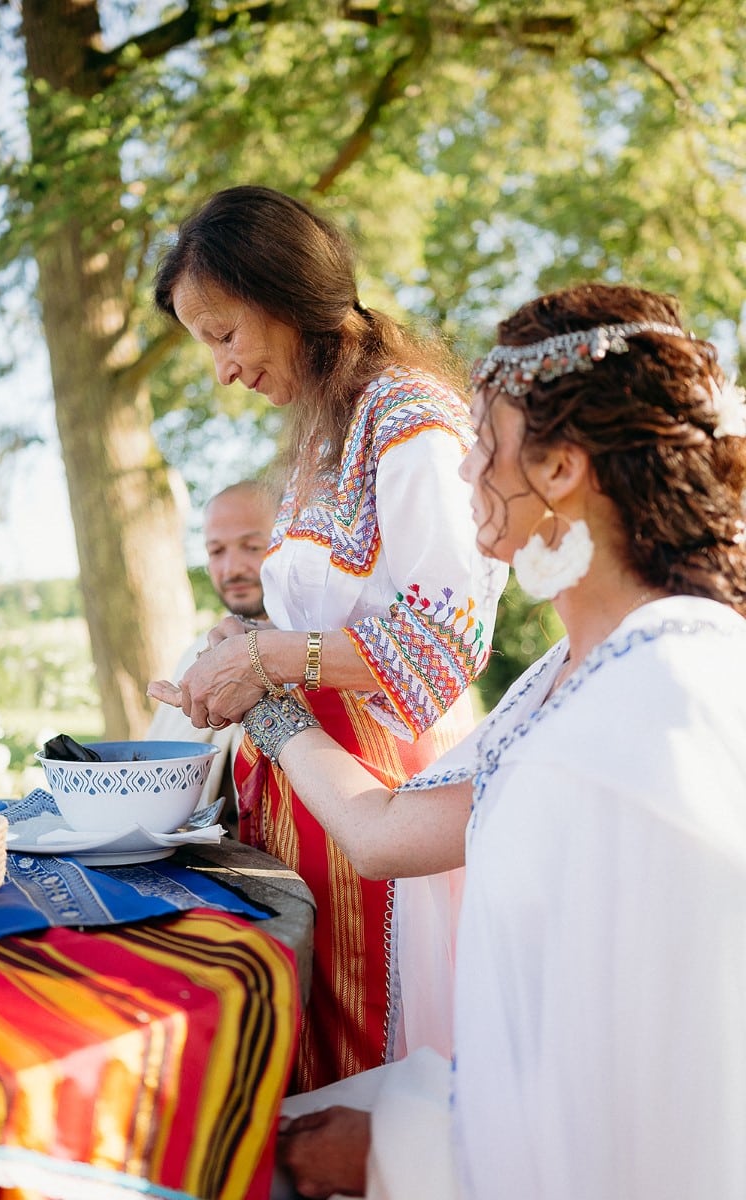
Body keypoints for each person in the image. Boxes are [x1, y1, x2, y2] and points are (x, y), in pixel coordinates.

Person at [232, 282, 746, 1199]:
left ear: (559, 470)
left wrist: (397, 1152)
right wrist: (266, 701)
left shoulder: (668, 707)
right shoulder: (562, 683)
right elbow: (384, 832)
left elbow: (663, 1103)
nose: (460, 471)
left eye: (481, 443)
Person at [147, 185, 508, 1091]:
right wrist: (237, 648)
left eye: (224, 334)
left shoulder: (412, 417)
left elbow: (442, 640)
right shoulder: (319, 433)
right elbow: (324, 618)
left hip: (382, 796)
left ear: (283, 293)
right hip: (307, 789)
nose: (223, 370)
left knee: (370, 1073)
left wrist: (266, 658)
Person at [147, 480, 277, 829]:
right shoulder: (194, 653)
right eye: (216, 551)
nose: (232, 568)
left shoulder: (318, 649)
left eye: (252, 546)